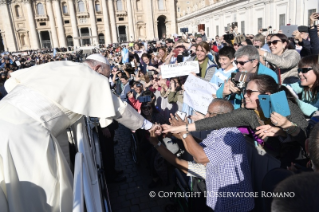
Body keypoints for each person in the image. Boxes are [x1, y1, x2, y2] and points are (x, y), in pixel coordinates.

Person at [0, 55, 161, 212]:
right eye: (105, 76)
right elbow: (118, 108)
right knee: (44, 193)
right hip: (25, 133)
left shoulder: (61, 65)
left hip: (4, 112)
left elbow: (11, 83)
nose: (104, 83)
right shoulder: (90, 75)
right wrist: (147, 125)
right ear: (97, 68)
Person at [163, 75, 308, 168]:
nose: (245, 95)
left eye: (250, 92)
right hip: (273, 162)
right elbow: (217, 121)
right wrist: (181, 128)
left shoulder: (285, 106)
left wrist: (286, 127)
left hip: (299, 162)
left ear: (267, 95)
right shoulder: (248, 113)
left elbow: (306, 138)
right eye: (245, 91)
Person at [149, 99, 254, 212]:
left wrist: (183, 132)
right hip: (220, 203)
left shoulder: (232, 136)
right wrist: (173, 131)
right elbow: (199, 146)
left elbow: (200, 156)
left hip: (235, 206)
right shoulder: (217, 132)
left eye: (209, 113)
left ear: (223, 116)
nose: (206, 115)